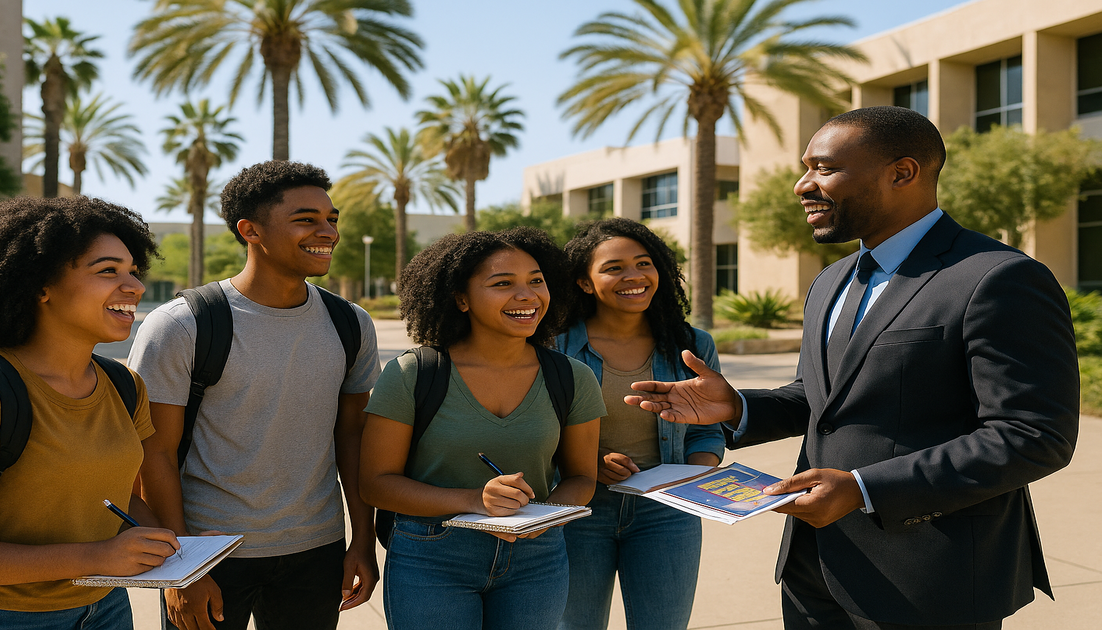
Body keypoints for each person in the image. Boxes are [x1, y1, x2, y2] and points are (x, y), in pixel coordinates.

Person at [624, 106, 1078, 629]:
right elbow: (825, 398)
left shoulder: (999, 278)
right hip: (813, 571)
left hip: (933, 578)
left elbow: (1033, 435)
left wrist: (864, 488)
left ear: (902, 173)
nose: (802, 185)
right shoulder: (831, 281)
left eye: (824, 168)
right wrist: (738, 406)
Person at [129, 161, 381, 630]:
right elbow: (153, 452)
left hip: (316, 549)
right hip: (209, 548)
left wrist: (361, 540)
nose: (327, 231)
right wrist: (181, 568)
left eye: (332, 218)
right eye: (306, 219)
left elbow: (353, 438)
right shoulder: (182, 325)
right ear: (251, 230)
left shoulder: (351, 323)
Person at [0, 196, 178, 629]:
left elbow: (108, 492)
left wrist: (172, 546)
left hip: (104, 609)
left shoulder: (125, 386)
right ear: (39, 286)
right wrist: (95, 556)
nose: (135, 286)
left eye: (133, 271)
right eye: (108, 270)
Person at [360, 227, 605, 630]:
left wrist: (543, 516)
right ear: (460, 298)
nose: (526, 295)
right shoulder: (412, 374)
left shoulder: (572, 377)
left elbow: (582, 477)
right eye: (502, 283)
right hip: (432, 556)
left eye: (536, 281)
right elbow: (376, 484)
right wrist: (474, 499)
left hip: (538, 559)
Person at [554, 218, 724, 630]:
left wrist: (689, 475)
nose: (634, 276)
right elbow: (531, 429)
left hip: (667, 513)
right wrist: (588, 461)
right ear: (584, 282)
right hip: (578, 511)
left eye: (643, 263)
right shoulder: (554, 346)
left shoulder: (693, 345)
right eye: (613, 268)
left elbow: (707, 430)